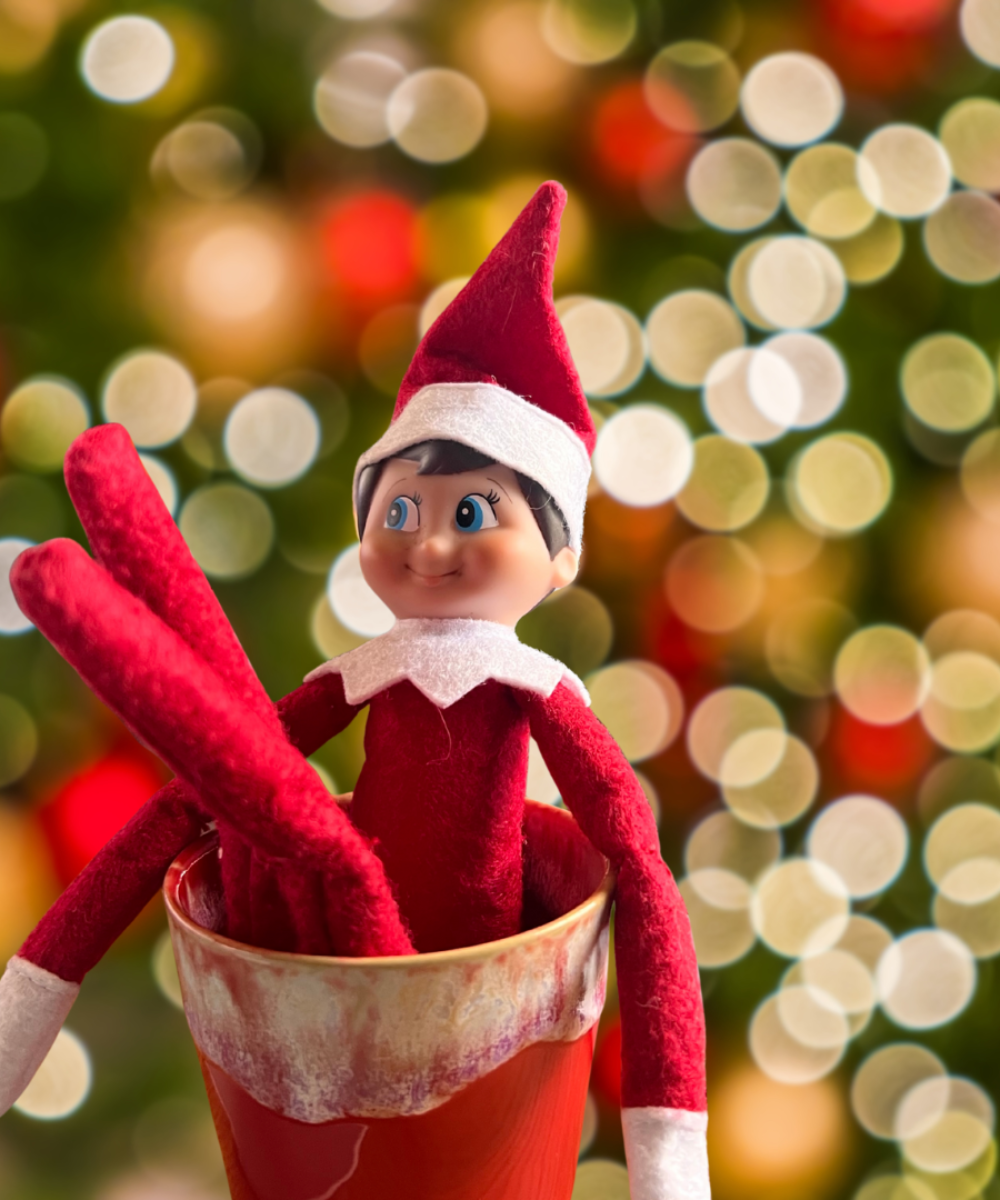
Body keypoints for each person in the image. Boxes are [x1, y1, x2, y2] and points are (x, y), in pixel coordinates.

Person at [0, 182, 709, 1199]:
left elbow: (636, 869)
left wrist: (667, 1147)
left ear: (556, 560)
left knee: (335, 860)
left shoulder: (534, 693)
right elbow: (216, 773)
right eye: (402, 507)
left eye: (471, 511)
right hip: (321, 996)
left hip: (481, 1005)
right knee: (288, 825)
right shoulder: (360, 678)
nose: (426, 539)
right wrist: (32, 995)